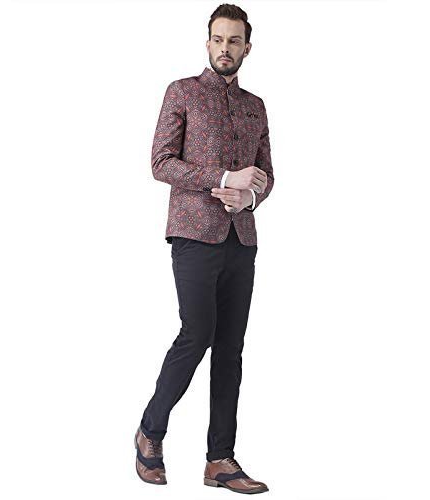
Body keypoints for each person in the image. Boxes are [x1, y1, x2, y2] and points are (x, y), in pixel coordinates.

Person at [134, 3, 274, 494]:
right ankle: (150, 431)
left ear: (247, 48)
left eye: (234, 41)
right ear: (207, 42)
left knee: (230, 349)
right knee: (197, 334)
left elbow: (267, 175)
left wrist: (249, 196)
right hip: (193, 234)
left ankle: (220, 459)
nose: (225, 48)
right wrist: (224, 177)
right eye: (218, 39)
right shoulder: (183, 92)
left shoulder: (255, 106)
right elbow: (161, 163)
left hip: (242, 239)